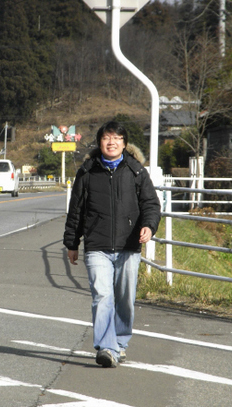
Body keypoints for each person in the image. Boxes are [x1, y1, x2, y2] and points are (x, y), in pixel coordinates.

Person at [63, 120, 161, 368]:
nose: (111, 142)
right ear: (99, 142)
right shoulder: (87, 172)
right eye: (107, 138)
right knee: (102, 296)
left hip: (128, 245)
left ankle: (120, 342)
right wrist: (72, 243)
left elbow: (151, 204)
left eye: (117, 138)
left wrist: (149, 226)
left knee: (125, 298)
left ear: (124, 144)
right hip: (97, 245)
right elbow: (76, 210)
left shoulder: (136, 171)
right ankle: (107, 347)